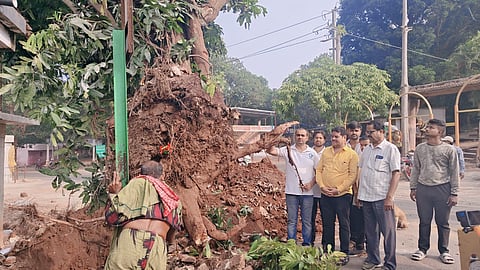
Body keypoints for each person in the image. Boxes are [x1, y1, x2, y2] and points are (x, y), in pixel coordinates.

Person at [104, 160, 183, 270]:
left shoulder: (136, 184)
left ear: (141, 173)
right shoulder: (171, 196)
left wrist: (114, 193)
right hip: (157, 247)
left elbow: (112, 217)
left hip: (129, 243)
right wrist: (169, 243)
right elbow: (172, 230)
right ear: (162, 175)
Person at [409, 119, 459, 265]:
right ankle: (422, 249)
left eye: (431, 128)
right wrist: (413, 187)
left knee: (442, 222)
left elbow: (454, 172)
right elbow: (416, 169)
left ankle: (444, 251)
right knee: (424, 221)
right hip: (423, 188)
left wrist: (454, 193)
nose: (427, 129)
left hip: (443, 188)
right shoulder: (420, 148)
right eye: (428, 127)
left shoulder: (449, 150)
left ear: (440, 132)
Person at [357, 120, 401, 270]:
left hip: (382, 198)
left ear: (381, 131)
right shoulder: (367, 149)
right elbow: (362, 172)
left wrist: (390, 197)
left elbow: (396, 174)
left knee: (388, 233)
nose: (368, 135)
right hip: (366, 197)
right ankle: (373, 259)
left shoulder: (390, 149)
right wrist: (359, 194)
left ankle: (389, 264)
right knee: (370, 232)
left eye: (371, 132)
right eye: (367, 132)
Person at [268, 128, 319, 246]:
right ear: (295, 137)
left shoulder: (312, 153)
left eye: (303, 135)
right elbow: (271, 151)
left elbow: (319, 172)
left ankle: (307, 244)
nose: (300, 137)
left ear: (307, 138)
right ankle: (291, 243)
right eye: (298, 135)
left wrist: (311, 184)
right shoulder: (288, 150)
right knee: (292, 220)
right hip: (291, 192)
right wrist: (274, 138)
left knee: (306, 221)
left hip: (307, 194)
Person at [316, 126, 358, 265]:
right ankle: (328, 251)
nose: (333, 139)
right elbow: (319, 170)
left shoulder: (352, 154)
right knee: (327, 224)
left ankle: (343, 253)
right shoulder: (326, 152)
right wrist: (322, 186)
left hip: (343, 195)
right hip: (325, 195)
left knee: (344, 224)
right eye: (332, 136)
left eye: (336, 136)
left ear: (344, 138)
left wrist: (338, 189)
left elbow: (352, 176)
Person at [346, 121, 366, 255]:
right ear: (347, 131)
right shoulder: (344, 145)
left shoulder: (365, 146)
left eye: (357, 130)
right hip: (346, 186)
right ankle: (352, 240)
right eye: (352, 130)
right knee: (350, 215)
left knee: (362, 214)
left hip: (362, 184)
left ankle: (361, 242)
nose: (354, 133)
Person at [311, 130, 327, 244]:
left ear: (324, 140)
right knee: (310, 219)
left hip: (324, 192)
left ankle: (325, 243)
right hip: (310, 192)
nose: (318, 140)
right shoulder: (308, 152)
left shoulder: (328, 153)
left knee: (326, 219)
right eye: (316, 138)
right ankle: (309, 241)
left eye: (320, 138)